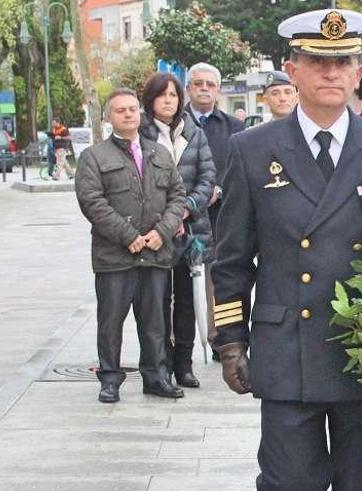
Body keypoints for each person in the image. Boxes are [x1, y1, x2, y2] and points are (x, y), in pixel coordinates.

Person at [210, 8, 362, 491]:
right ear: (291, 69)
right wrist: (230, 341)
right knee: (288, 487)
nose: (331, 72)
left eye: (344, 62)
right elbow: (232, 259)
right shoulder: (252, 150)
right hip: (288, 355)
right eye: (316, 60)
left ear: (359, 73)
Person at [74, 88, 187, 403]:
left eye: (133, 109)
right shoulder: (94, 157)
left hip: (155, 254)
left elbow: (177, 196)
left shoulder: (159, 153)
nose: (127, 114)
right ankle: (109, 379)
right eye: (120, 110)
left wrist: (162, 232)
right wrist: (128, 236)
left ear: (141, 113)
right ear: (109, 117)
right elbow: (92, 203)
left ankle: (156, 377)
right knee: (110, 322)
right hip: (115, 256)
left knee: (154, 323)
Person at [140, 73, 217, 389]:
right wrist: (167, 219)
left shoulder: (194, 134)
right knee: (158, 302)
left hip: (191, 230)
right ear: (151, 100)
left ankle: (184, 365)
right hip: (156, 232)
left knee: (188, 301)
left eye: (173, 95)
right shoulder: (141, 136)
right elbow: (139, 184)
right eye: (162, 95)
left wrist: (186, 208)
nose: (169, 100)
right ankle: (161, 364)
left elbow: (207, 177)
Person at [183, 62, 245, 226]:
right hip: (181, 213)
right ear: (188, 89)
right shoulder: (175, 125)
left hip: (221, 212)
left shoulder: (234, 127)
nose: (204, 88)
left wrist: (219, 189)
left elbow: (240, 167)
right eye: (198, 84)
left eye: (210, 84)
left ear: (218, 91)